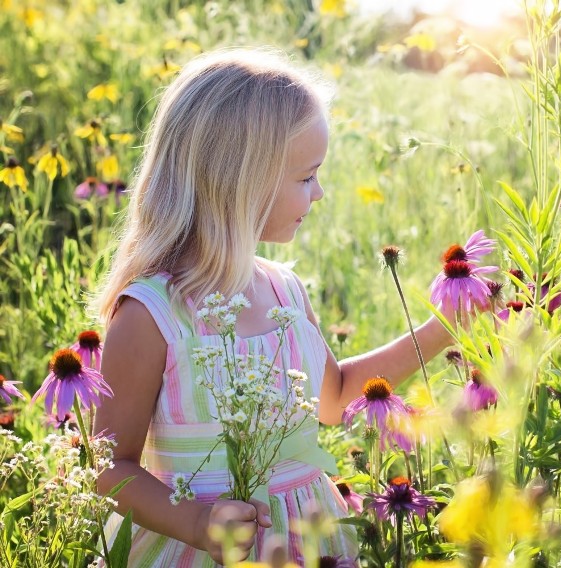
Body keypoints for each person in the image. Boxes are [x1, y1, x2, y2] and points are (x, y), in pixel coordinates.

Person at [93, 47, 455, 566]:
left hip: (311, 540)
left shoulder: (285, 290)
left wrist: (441, 329)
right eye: (307, 177)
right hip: (196, 549)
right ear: (241, 184)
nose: (321, 192)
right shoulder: (152, 315)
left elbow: (333, 399)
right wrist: (197, 522)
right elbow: (111, 468)